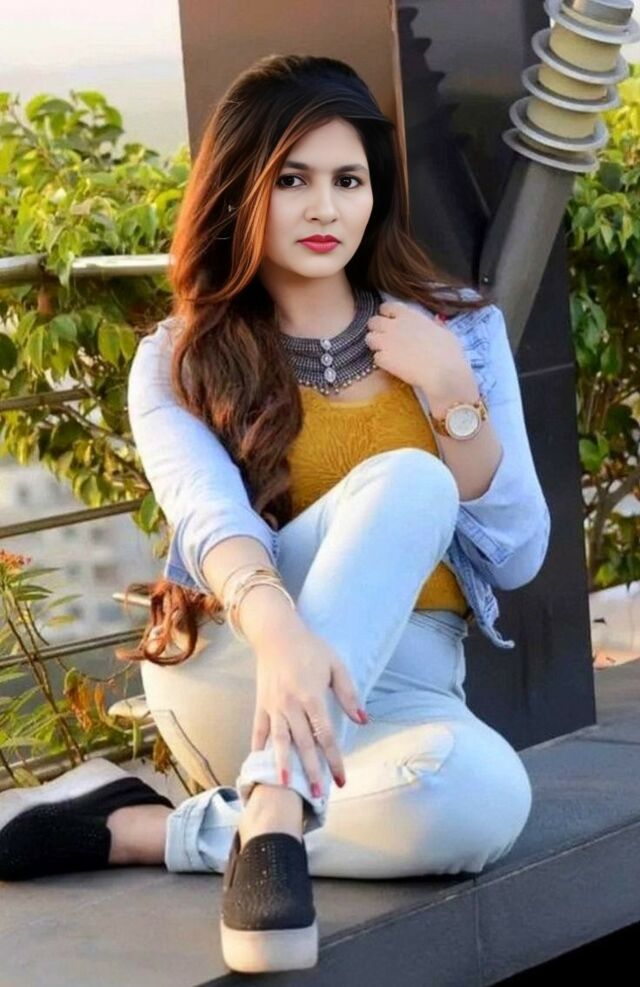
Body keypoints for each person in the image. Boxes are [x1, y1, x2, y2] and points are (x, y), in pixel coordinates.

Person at [0, 54, 550, 975]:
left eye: (348, 180)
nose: (325, 207)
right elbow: (214, 521)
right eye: (292, 180)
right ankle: (278, 798)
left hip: (401, 688)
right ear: (239, 189)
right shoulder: (179, 357)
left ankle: (164, 829)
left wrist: (453, 391)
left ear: (375, 193)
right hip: (243, 660)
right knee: (413, 482)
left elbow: (519, 554)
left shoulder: (457, 333)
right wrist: (286, 636)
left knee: (485, 803)